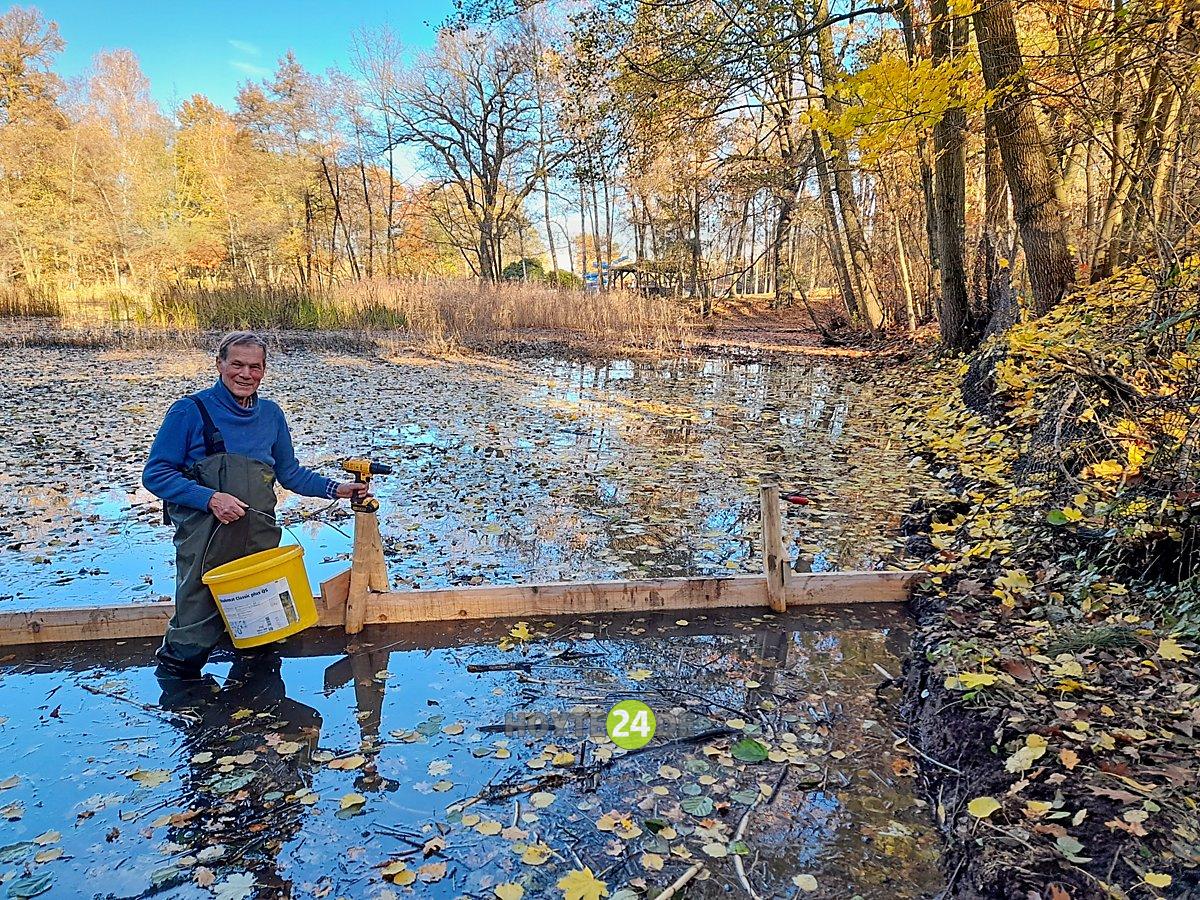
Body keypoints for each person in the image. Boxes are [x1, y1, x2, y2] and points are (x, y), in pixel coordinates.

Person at [143, 331, 366, 678]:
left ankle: (257, 708)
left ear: (264, 370)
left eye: (255, 367)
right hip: (206, 540)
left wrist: (336, 488)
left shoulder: (272, 416)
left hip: (258, 538)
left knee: (260, 630)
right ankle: (180, 695)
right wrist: (211, 498)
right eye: (237, 364)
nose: (246, 374)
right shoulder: (189, 411)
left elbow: (289, 473)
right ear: (219, 364)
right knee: (192, 629)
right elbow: (156, 474)